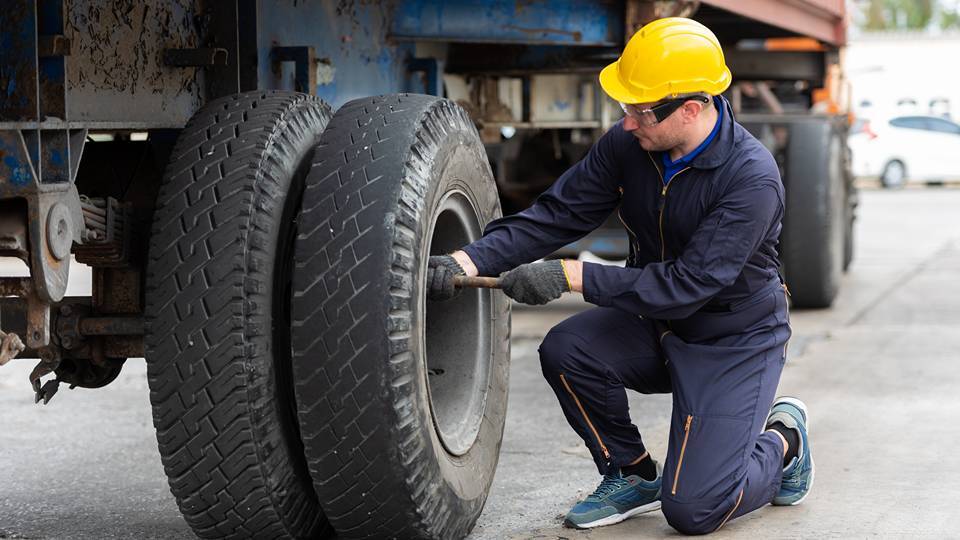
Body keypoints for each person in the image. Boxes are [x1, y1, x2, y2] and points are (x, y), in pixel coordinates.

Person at [426, 17, 813, 535]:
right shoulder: (631, 145)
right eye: (627, 108)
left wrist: (573, 276)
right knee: (566, 351)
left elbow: (687, 285)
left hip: (732, 339)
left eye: (641, 110)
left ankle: (784, 441)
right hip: (654, 323)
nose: (628, 122)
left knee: (695, 511)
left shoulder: (752, 179)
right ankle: (631, 473)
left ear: (692, 108)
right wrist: (469, 261)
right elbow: (557, 214)